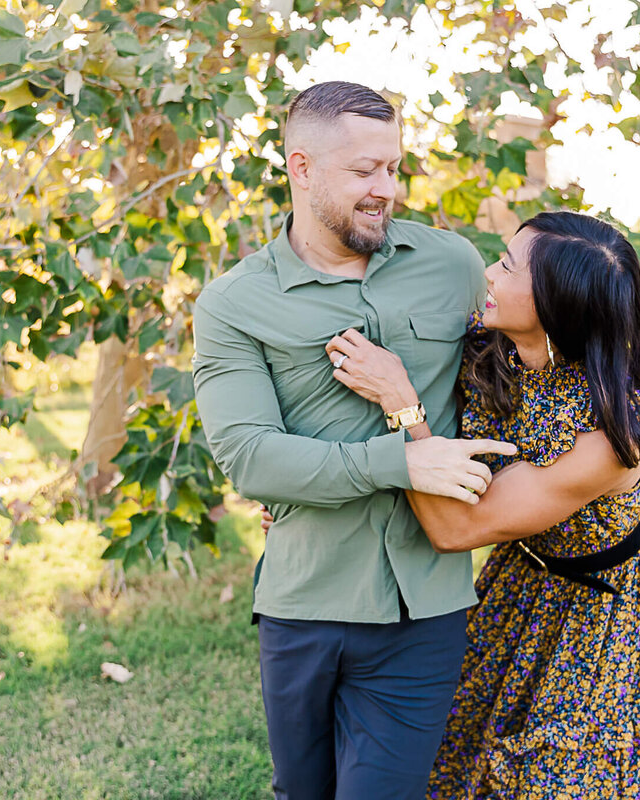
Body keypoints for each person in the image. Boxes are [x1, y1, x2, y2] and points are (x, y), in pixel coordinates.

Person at [191, 81, 516, 799]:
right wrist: (402, 462)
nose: (385, 189)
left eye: (393, 168)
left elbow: (523, 380)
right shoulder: (232, 303)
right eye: (364, 171)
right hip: (303, 602)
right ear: (301, 169)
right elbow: (251, 457)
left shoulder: (454, 265)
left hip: (423, 611)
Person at [306, 211, 640, 798]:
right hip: (520, 575)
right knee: (467, 746)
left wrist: (401, 404)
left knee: (562, 770)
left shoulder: (612, 438)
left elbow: (457, 528)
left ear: (555, 302)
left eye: (508, 266)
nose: (487, 272)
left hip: (604, 601)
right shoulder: (493, 348)